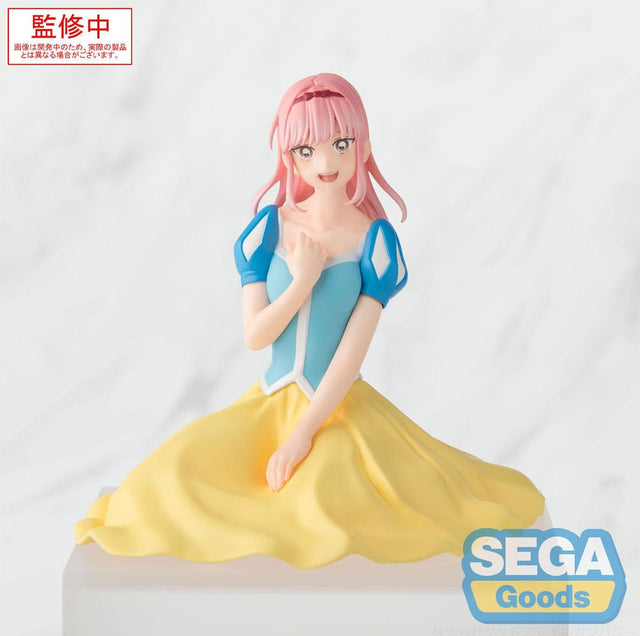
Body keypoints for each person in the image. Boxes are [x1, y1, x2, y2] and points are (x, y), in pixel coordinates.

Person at [74, 73, 545, 569]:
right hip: (269, 400)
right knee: (174, 476)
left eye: (341, 144)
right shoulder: (268, 229)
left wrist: (303, 434)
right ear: (289, 156)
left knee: (335, 500)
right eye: (306, 150)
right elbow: (256, 336)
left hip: (337, 408)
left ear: (363, 147)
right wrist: (302, 280)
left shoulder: (375, 242)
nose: (325, 164)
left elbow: (351, 356)